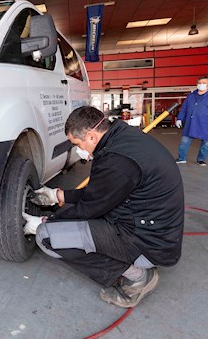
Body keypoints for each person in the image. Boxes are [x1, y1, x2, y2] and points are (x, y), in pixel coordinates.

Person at [21, 106, 185, 308]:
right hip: (153, 227)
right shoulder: (123, 137)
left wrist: (45, 222)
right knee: (74, 223)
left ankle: (138, 277)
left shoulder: (116, 161)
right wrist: (59, 195)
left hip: (147, 241)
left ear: (90, 136)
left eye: (77, 144)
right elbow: (104, 192)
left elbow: (89, 209)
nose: (79, 151)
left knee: (46, 236)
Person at [175, 77, 208, 166]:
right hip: (191, 123)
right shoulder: (191, 96)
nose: (201, 84)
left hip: (206, 123)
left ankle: (201, 159)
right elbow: (184, 108)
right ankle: (181, 158)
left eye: (204, 83)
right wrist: (180, 118)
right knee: (184, 142)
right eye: (199, 83)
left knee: (206, 143)